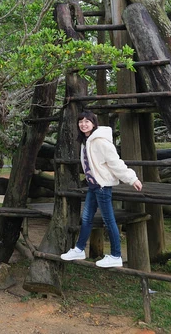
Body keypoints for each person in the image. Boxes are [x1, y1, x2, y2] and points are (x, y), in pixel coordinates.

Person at [60, 111, 143, 268]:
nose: (83, 124)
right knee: (86, 218)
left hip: (102, 187)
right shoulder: (86, 141)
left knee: (108, 220)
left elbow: (115, 162)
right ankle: (79, 249)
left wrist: (132, 179)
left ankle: (116, 255)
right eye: (81, 121)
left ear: (94, 123)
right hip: (93, 186)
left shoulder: (100, 141)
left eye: (87, 121)